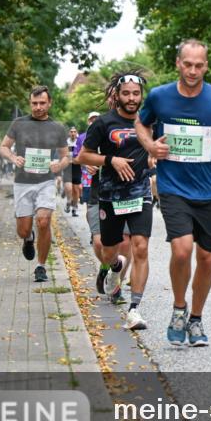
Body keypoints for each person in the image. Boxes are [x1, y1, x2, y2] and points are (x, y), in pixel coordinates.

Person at [135, 39, 211, 347]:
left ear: (206, 66)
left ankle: (196, 318)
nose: (193, 71)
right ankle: (178, 308)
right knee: (182, 249)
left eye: (199, 65)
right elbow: (141, 124)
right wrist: (150, 146)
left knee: (207, 257)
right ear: (178, 64)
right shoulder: (160, 97)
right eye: (188, 64)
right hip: (173, 187)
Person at [77, 72, 154, 331]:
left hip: (140, 193)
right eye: (126, 93)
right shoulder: (103, 123)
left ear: (141, 95)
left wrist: (156, 156)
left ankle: (134, 309)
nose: (131, 98)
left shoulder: (150, 121)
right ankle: (113, 268)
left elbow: (158, 147)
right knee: (110, 251)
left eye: (136, 93)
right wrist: (111, 160)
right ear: (118, 95)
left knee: (140, 247)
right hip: (110, 196)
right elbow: (84, 156)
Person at [0, 86, 70, 282]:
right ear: (30, 103)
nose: (38, 107)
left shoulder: (57, 128)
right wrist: (13, 158)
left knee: (44, 221)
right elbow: (3, 147)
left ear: (49, 103)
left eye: (42, 103)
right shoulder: (19, 124)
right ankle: (28, 238)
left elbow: (66, 157)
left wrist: (59, 165)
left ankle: (41, 266)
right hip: (22, 182)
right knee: (23, 229)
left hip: (45, 181)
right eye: (34, 103)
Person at [77, 102, 133, 306]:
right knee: (100, 242)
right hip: (99, 194)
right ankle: (106, 267)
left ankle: (116, 287)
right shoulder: (99, 125)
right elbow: (80, 156)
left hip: (127, 192)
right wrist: (88, 164)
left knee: (125, 241)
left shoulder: (136, 126)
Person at [63, 126, 82, 216]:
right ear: (69, 133)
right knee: (69, 188)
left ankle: (74, 208)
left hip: (76, 168)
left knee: (76, 189)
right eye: (71, 131)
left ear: (76, 133)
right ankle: (68, 202)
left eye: (74, 132)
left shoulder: (79, 142)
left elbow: (82, 154)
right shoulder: (65, 142)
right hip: (67, 168)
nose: (73, 133)